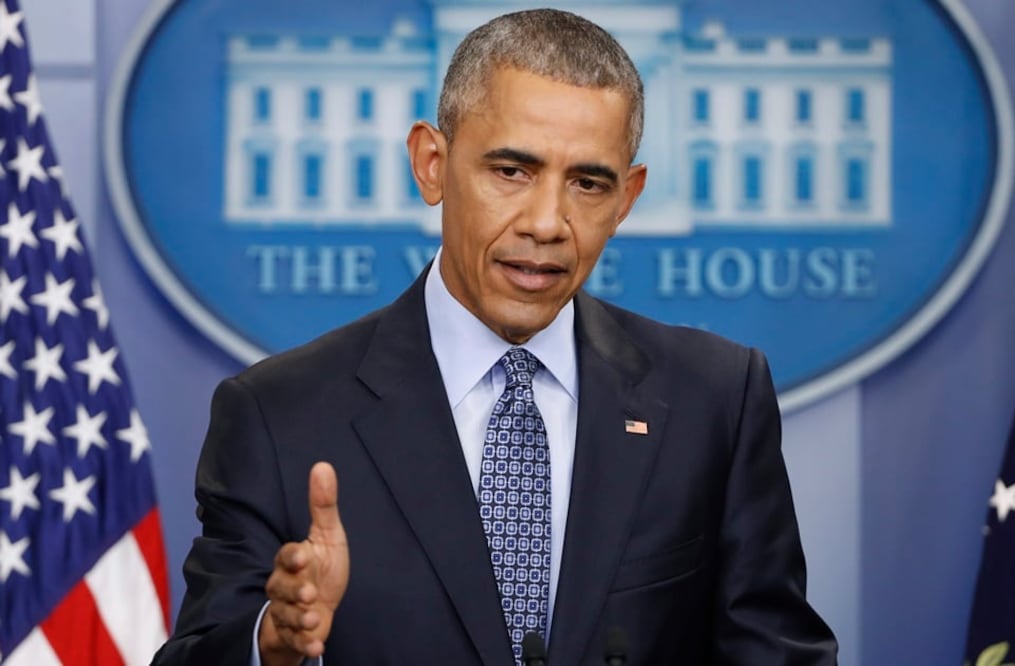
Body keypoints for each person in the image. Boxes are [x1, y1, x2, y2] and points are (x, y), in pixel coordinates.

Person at [152, 8, 838, 665]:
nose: (547, 221)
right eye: (512, 172)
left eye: (587, 184)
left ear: (626, 199)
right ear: (430, 163)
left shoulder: (712, 399)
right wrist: (273, 641)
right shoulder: (280, 414)